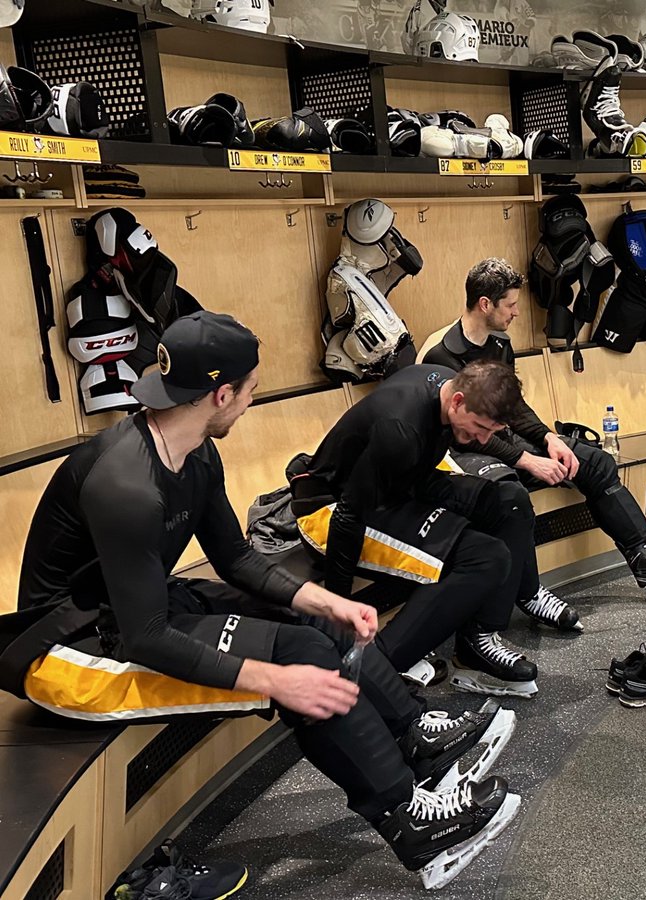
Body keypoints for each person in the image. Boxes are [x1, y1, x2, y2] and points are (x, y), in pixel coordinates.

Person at [0, 312, 520, 893]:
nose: (251, 401)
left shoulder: (196, 451)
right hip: (67, 651)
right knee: (301, 660)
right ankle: (408, 820)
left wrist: (325, 601)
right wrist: (275, 681)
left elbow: (237, 561)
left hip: (129, 610)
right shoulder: (127, 484)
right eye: (249, 390)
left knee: (309, 622)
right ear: (220, 393)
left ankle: (413, 741)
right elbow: (147, 638)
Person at [417, 257, 646, 608]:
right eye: (510, 305)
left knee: (595, 462)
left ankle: (641, 554)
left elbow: (514, 407)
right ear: (485, 304)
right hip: (467, 451)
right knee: (510, 494)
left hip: (503, 437)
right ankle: (530, 594)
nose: (516, 313)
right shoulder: (442, 354)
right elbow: (466, 430)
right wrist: (528, 460)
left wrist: (549, 439)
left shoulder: (499, 343)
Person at [291, 359, 543, 699]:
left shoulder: (446, 383)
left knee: (509, 501)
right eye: (480, 427)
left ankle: (476, 644)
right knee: (486, 558)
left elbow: (415, 469)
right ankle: (370, 677)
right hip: (331, 510)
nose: (483, 438)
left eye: (491, 433)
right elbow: (349, 517)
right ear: (457, 402)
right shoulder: (400, 429)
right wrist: (338, 613)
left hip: (403, 483)